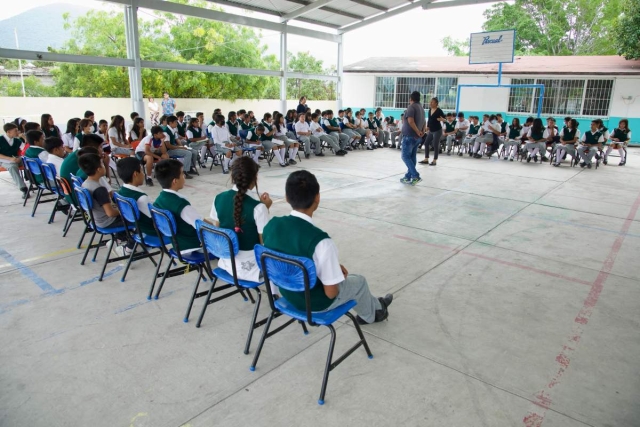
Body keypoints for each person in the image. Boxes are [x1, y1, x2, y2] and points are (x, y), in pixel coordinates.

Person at [263, 170, 393, 324]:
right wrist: (333, 275)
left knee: (346, 279)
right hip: (316, 304)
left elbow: (288, 255)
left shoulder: (271, 225)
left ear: (286, 197)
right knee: (359, 282)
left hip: (288, 294)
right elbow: (331, 293)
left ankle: (376, 306)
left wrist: (330, 268)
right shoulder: (321, 241)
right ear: (317, 198)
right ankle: (373, 314)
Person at [210, 157, 273, 285]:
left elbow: (219, 230)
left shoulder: (218, 198)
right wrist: (265, 209)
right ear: (254, 178)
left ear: (232, 177)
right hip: (251, 271)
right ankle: (274, 295)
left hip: (226, 263)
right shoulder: (258, 208)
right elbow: (264, 245)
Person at [78, 153, 133, 255]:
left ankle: (117, 240)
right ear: (98, 169)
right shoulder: (100, 189)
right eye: (103, 165)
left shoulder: (85, 183)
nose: (104, 167)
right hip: (106, 221)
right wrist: (123, 210)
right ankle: (127, 249)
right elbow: (110, 213)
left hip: (95, 219)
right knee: (137, 218)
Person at [153, 159, 211, 252]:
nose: (184, 176)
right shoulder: (181, 205)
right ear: (175, 181)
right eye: (182, 174)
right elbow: (203, 226)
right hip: (192, 245)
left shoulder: (159, 199)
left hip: (177, 243)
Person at [117, 157, 157, 236]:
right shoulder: (141, 198)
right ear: (135, 174)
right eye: (141, 170)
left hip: (137, 228)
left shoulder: (121, 191)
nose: (143, 173)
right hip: (151, 232)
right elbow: (157, 218)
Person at [400, 91, 425, 186]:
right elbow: (424, 122)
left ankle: (415, 175)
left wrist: (418, 131)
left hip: (409, 136)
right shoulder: (421, 108)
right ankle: (407, 177)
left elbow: (410, 121)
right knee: (412, 157)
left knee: (405, 156)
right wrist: (422, 131)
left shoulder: (411, 107)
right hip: (417, 137)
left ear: (411, 99)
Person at [0, 123, 28, 199]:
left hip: (16, 158)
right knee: (12, 167)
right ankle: (23, 188)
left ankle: (34, 180)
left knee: (29, 162)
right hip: (4, 160)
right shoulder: (1, 140)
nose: (17, 132)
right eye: (15, 131)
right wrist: (10, 159)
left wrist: (24, 138)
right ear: (8, 132)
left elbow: (26, 149)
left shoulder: (17, 140)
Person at [420, 97, 445, 166]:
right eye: (430, 102)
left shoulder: (439, 110)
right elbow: (429, 119)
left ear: (436, 103)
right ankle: (426, 159)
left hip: (437, 130)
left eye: (432, 102)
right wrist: (427, 126)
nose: (430, 103)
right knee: (426, 143)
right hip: (431, 130)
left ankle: (434, 160)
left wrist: (441, 119)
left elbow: (445, 119)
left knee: (435, 144)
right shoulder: (429, 110)